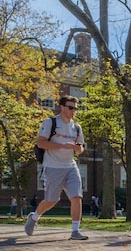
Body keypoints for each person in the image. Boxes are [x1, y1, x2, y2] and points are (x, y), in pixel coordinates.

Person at [25, 96, 88, 240]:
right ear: (61, 106)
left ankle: (75, 231)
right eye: (71, 107)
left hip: (71, 166)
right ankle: (34, 217)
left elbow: (80, 148)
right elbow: (41, 143)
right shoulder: (50, 122)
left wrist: (77, 149)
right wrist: (62, 146)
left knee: (77, 197)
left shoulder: (76, 127)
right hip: (53, 166)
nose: (74, 111)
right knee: (51, 200)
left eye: (75, 108)